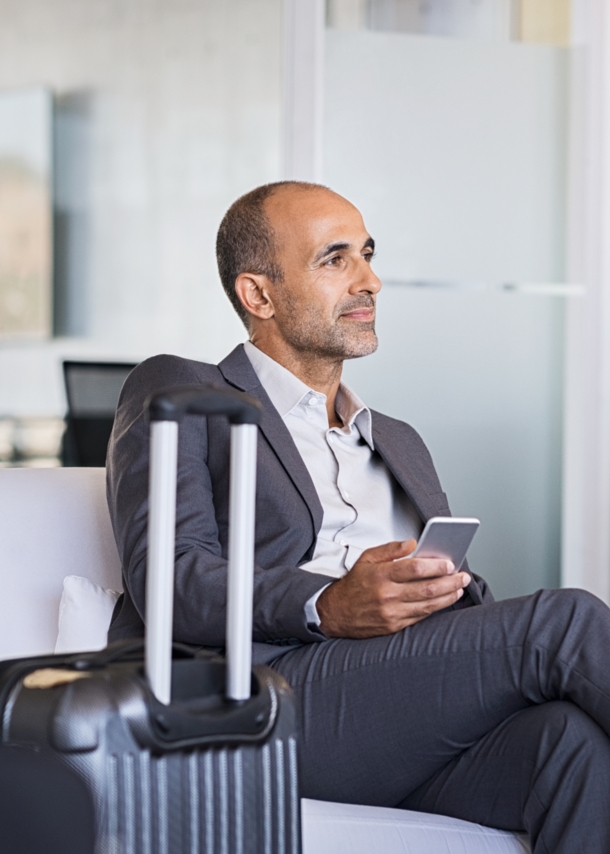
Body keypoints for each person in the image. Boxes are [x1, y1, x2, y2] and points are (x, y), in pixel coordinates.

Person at [107, 181, 610, 854]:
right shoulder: (186, 391)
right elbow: (175, 578)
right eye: (334, 259)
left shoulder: (396, 439)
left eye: (367, 255)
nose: (369, 279)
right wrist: (326, 603)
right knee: (566, 621)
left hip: (397, 704)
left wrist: (443, 593)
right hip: (273, 692)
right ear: (258, 295)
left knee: (570, 746)